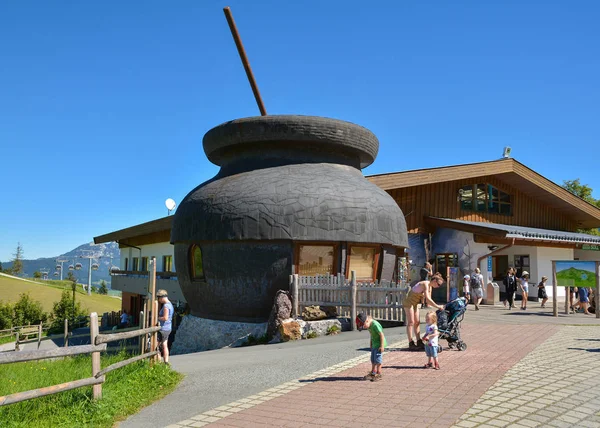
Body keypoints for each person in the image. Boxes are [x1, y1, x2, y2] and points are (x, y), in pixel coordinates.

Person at [403, 273, 445, 351]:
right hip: (408, 302)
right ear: (434, 281)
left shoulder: (430, 287)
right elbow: (428, 299)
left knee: (417, 322)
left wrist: (434, 307)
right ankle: (411, 343)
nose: (438, 286)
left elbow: (428, 301)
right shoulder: (425, 284)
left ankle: (419, 341)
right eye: (438, 284)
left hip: (415, 304)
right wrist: (438, 306)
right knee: (411, 322)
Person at [357, 312, 387, 382]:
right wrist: (370, 343)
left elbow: (381, 335)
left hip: (379, 344)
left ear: (367, 320)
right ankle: (373, 372)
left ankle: (379, 373)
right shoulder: (369, 326)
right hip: (374, 344)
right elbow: (372, 335)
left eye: (364, 326)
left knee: (378, 359)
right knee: (373, 359)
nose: (365, 327)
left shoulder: (375, 325)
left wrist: (382, 346)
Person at [156, 289, 174, 364]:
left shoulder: (166, 306)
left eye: (159, 298)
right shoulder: (170, 305)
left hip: (162, 328)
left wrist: (157, 318)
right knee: (165, 345)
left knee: (156, 346)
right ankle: (166, 362)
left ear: (162, 297)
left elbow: (165, 318)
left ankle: (159, 362)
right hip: (168, 328)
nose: (159, 300)